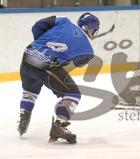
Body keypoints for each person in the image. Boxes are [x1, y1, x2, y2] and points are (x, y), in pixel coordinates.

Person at [18, 12, 100, 144]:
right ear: (93, 29)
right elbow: (70, 66)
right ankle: (59, 125)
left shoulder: (64, 20)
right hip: (47, 66)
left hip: (28, 56)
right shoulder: (89, 51)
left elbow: (37, 26)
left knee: (30, 90)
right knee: (73, 94)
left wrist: (40, 45)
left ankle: (24, 115)